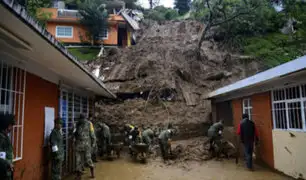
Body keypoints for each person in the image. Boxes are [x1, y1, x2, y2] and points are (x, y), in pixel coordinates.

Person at [74, 114, 95, 179]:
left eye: (83, 119)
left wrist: (93, 143)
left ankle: (92, 173)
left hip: (86, 145)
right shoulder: (77, 124)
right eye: (81, 119)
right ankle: (79, 175)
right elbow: (74, 133)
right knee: (78, 160)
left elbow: (92, 134)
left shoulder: (89, 124)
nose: (83, 120)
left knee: (87, 159)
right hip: (80, 145)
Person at [0, 113, 15, 180]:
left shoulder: (5, 136)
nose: (12, 128)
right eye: (11, 125)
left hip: (7, 171)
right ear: (7, 126)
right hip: (2, 172)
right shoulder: (1, 138)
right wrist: (8, 163)